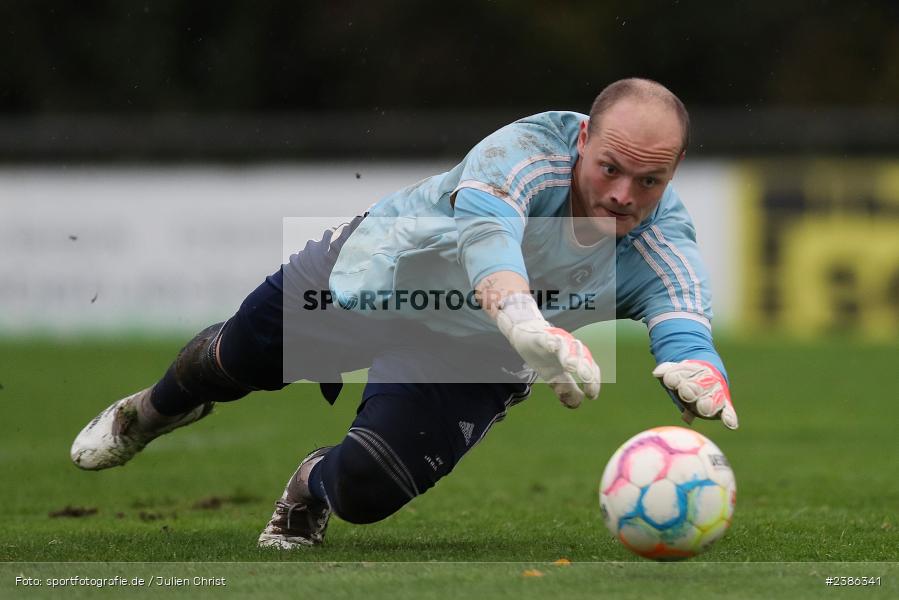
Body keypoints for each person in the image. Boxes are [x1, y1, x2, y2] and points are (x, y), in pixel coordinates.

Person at [70, 78, 739, 549]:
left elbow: (680, 315)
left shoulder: (662, 241)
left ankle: (310, 482)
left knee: (365, 490)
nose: (622, 195)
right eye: (609, 169)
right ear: (583, 138)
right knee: (230, 361)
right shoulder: (524, 152)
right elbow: (489, 242)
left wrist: (700, 370)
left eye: (649, 181)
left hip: (472, 351)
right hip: (377, 270)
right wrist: (525, 322)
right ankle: (153, 411)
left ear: (676, 169)